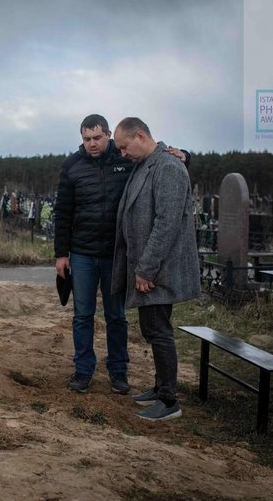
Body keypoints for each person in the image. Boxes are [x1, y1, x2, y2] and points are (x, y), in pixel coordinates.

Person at [54, 114, 188, 395]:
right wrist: (61, 254)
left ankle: (118, 371)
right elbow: (63, 212)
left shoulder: (126, 157)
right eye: (86, 139)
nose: (92, 144)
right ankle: (83, 370)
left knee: (116, 316)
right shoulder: (72, 166)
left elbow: (160, 161)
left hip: (117, 254)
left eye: (98, 138)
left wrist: (186, 155)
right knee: (82, 315)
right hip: (82, 252)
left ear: (108, 136)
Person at [111, 117, 200, 421]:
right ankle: (160, 386)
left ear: (140, 136)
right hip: (149, 268)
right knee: (152, 327)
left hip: (158, 270)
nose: (122, 153)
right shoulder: (145, 165)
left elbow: (166, 224)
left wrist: (146, 269)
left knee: (159, 331)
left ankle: (168, 400)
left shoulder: (168, 167)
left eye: (124, 147)